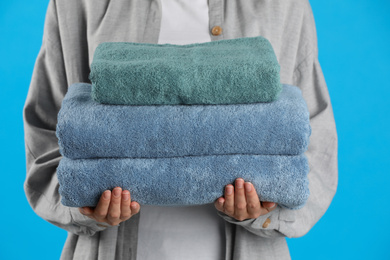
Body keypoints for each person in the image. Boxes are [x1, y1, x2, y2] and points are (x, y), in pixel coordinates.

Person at [23, 0, 338, 259]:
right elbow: (48, 133)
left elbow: (310, 138)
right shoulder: (78, 4)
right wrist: (84, 207)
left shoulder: (283, 5)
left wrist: (265, 209)